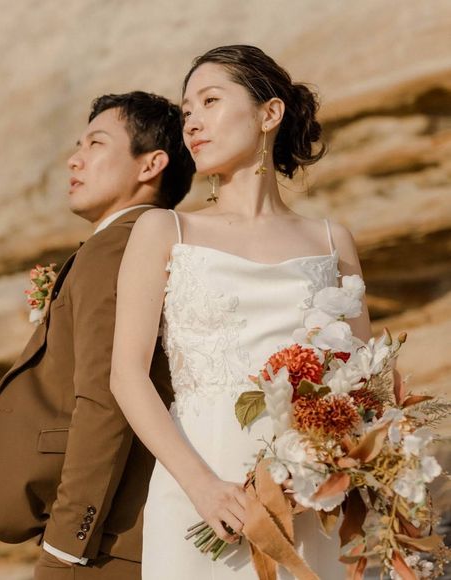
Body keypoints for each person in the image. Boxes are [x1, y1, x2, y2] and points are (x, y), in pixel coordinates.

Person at [110, 45, 373, 579]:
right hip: (200, 488)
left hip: (309, 498)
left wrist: (323, 470)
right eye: (187, 111)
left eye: (210, 101)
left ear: (269, 114)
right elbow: (126, 375)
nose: (192, 123)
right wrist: (203, 488)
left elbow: (365, 386)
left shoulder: (331, 240)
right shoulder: (165, 229)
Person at [0, 91, 195, 580]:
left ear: (151, 165)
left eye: (96, 144)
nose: (74, 160)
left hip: (105, 542)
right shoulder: (146, 242)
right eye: (79, 145)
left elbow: (106, 397)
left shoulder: (118, 247)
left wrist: (66, 543)